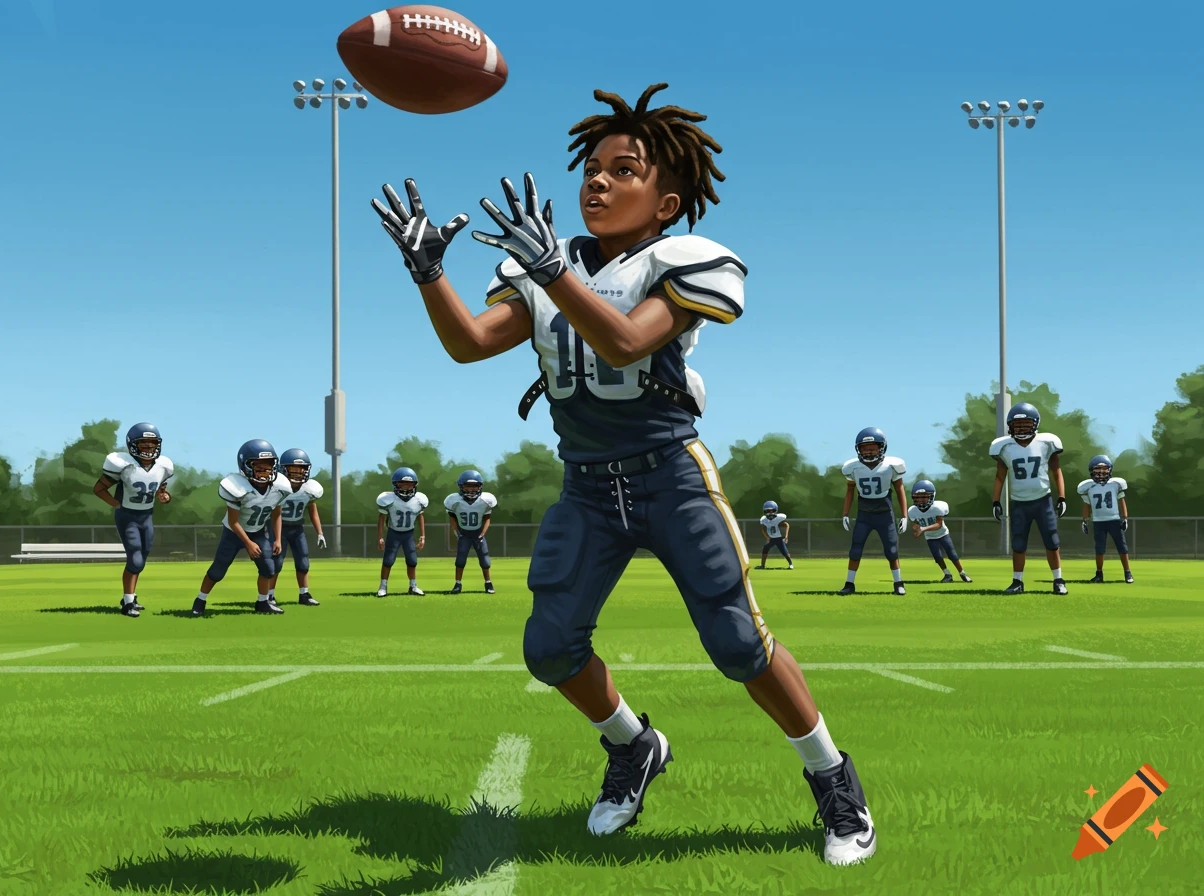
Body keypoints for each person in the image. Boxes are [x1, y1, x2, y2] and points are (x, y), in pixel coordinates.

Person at [370, 82, 876, 865]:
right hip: (586, 483)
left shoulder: (687, 261)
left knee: (739, 644)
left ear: (666, 202)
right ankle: (634, 745)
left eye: (623, 170)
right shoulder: (549, 266)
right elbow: (470, 342)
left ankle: (833, 778)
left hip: (669, 472)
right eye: (592, 169)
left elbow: (626, 343)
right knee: (549, 647)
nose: (597, 182)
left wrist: (549, 272)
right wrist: (428, 273)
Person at [190, 440, 290, 616]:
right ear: (246, 467)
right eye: (258, 467)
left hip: (258, 530)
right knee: (218, 570)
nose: (264, 472)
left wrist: (278, 539)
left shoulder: (279, 488)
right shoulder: (237, 487)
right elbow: (234, 522)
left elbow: (276, 514)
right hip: (233, 532)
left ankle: (262, 603)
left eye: (267, 467)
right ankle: (200, 599)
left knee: (268, 568)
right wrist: (248, 543)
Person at [93, 423, 174, 617]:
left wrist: (165, 496)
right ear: (132, 445)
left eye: (151, 443)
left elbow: (161, 490)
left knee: (142, 558)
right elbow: (98, 489)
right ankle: (127, 604)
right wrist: (115, 504)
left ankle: (130, 597)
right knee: (135, 559)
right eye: (143, 443)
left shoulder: (163, 466)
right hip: (128, 516)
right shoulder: (123, 465)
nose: (148, 448)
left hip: (147, 516)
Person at [989, 402, 1067, 594]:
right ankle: (1017, 582)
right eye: (1018, 425)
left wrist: (1062, 497)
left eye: (1026, 424)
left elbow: (1056, 470)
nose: (1022, 428)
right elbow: (1000, 476)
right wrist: (996, 501)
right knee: (1018, 544)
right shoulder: (1004, 447)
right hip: (1018, 503)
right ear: (1010, 426)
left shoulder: (1046, 443)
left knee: (1052, 541)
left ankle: (1058, 580)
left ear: (1035, 424)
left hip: (1042, 500)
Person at [838, 428, 908, 596]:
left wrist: (905, 516)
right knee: (855, 549)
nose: (868, 451)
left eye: (872, 448)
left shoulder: (891, 466)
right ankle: (849, 584)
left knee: (891, 550)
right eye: (864, 448)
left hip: (884, 512)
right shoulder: (852, 468)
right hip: (864, 513)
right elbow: (850, 492)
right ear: (858, 449)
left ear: (881, 448)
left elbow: (900, 490)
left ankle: (898, 583)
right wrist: (845, 513)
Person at [271, 448, 326, 606]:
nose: (297, 474)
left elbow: (312, 511)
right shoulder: (277, 487)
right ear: (283, 469)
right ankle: (270, 595)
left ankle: (304, 594)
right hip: (278, 528)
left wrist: (320, 533)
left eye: (301, 470)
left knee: (303, 563)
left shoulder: (309, 489)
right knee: (276, 564)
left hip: (297, 528)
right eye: (293, 470)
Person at [1077, 454, 1134, 583]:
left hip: (1114, 520)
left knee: (1122, 547)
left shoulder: (1115, 484)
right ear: (1092, 471)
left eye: (1104, 469)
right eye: (1097, 470)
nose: (1101, 473)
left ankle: (1128, 573)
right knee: (1099, 549)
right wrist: (1084, 520)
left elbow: (1121, 501)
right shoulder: (1088, 487)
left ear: (1110, 470)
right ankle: (1099, 574)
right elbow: (1087, 505)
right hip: (1098, 521)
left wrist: (1125, 518)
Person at [443, 469, 497, 594]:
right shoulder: (454, 501)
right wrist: (457, 532)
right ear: (461, 487)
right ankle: (457, 584)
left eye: (474, 486)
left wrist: (483, 533)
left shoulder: (485, 501)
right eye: (468, 486)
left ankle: (488, 583)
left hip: (477, 533)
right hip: (465, 534)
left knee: (485, 560)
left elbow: (487, 519)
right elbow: (452, 518)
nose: (471, 490)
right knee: (460, 560)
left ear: (480, 487)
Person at [907, 480, 972, 583]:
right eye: (918, 497)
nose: (921, 500)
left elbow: (938, 524)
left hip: (942, 534)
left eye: (924, 496)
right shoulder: (912, 510)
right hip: (930, 537)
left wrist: (923, 529)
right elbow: (914, 523)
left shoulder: (937, 507)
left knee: (952, 555)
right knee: (937, 557)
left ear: (931, 496)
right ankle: (947, 574)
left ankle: (962, 573)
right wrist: (916, 528)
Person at [376, 467, 427, 597]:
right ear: (396, 484)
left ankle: (413, 586)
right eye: (403, 483)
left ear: (414, 485)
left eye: (409, 484)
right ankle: (383, 587)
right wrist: (380, 537)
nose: (406, 486)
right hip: (394, 533)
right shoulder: (389, 499)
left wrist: (422, 536)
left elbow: (421, 516)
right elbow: (381, 518)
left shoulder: (418, 500)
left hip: (408, 534)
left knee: (412, 561)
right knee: (388, 560)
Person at [758, 501, 792, 569]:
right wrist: (767, 537)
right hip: (771, 539)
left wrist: (786, 536)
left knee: (784, 552)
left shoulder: (778, 518)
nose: (770, 513)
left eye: (772, 511)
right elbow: (763, 529)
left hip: (779, 538)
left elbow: (786, 525)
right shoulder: (764, 520)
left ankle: (791, 564)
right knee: (765, 549)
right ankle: (762, 565)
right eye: (768, 511)